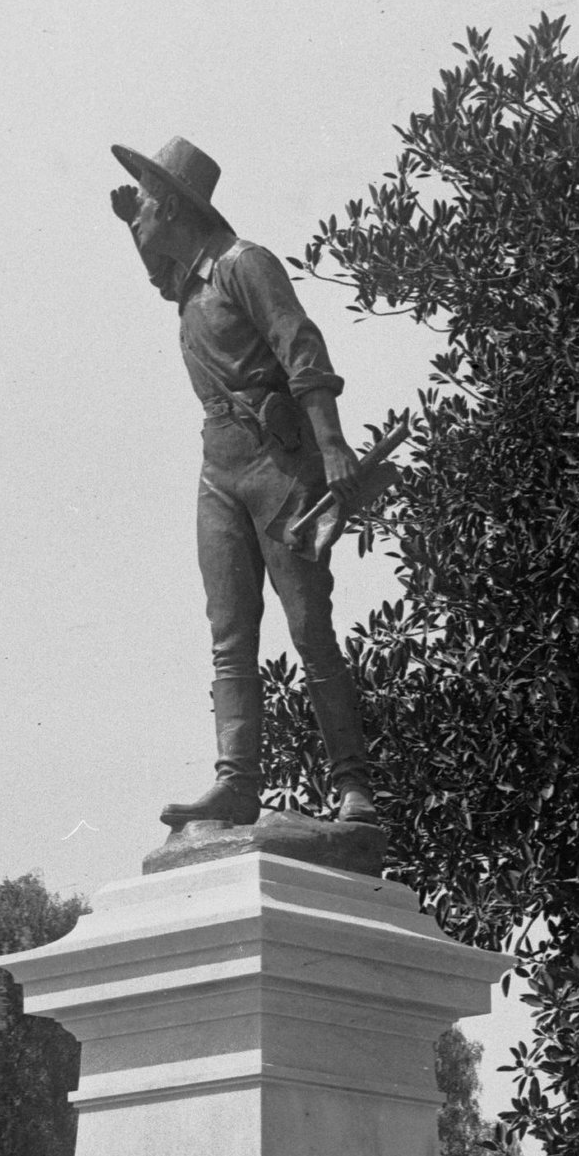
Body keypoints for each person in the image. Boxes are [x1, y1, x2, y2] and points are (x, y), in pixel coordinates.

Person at [109, 135, 379, 831]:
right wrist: (134, 236)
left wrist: (334, 446)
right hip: (220, 470)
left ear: (171, 207)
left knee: (309, 629)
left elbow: (302, 349)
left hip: (280, 465)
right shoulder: (190, 282)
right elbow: (168, 282)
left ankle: (355, 787)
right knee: (230, 634)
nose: (134, 210)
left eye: (142, 200)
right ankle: (237, 782)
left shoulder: (243, 264)